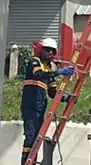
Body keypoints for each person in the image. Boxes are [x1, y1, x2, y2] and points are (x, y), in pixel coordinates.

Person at [20, 37, 75, 165]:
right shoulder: (35, 62)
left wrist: (66, 98)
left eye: (52, 51)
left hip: (40, 108)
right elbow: (39, 74)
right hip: (30, 106)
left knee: (36, 139)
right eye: (47, 50)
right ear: (41, 50)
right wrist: (59, 72)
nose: (50, 53)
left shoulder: (49, 69)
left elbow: (52, 92)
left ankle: (32, 162)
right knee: (30, 137)